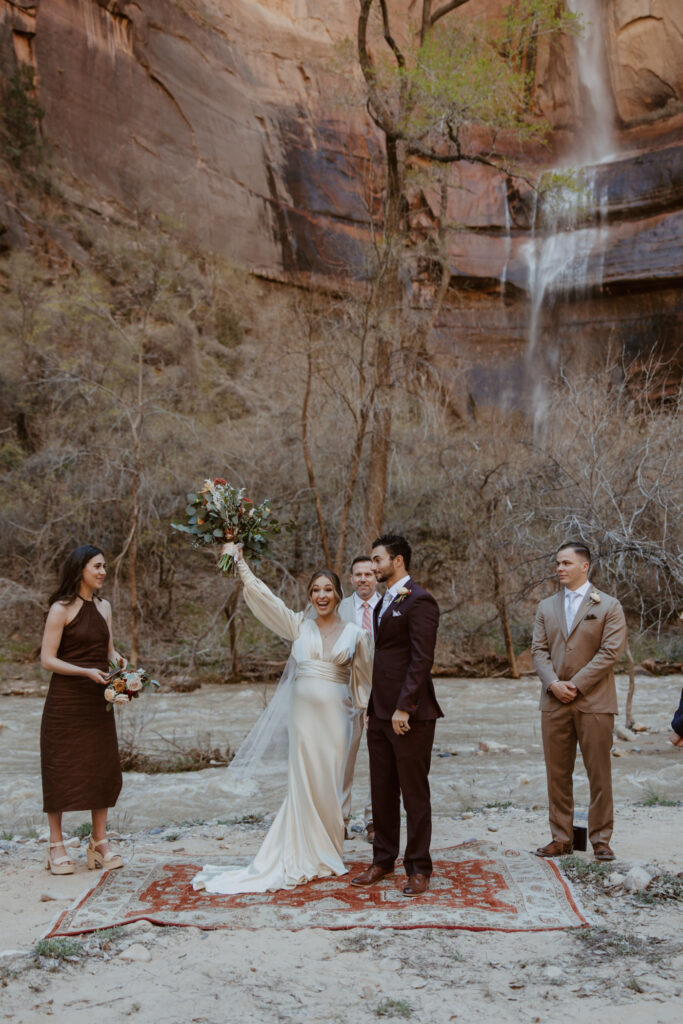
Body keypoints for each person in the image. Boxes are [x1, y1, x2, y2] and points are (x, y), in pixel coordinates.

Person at [192, 543, 373, 894]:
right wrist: (241, 564)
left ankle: (330, 851)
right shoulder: (297, 625)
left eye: (328, 590)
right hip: (303, 719)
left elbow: (364, 679)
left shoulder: (356, 635)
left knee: (333, 782)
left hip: (340, 720)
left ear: (338, 595)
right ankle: (304, 850)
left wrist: (366, 715)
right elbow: (266, 599)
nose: (322, 596)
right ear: (310, 596)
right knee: (304, 782)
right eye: (316, 591)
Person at [352, 534, 441, 897]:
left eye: (378, 560)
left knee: (414, 793)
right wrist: (374, 709)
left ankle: (418, 867)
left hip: (410, 715)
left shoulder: (420, 600)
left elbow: (421, 659)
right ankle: (383, 860)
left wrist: (405, 706)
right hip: (380, 713)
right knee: (382, 790)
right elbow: (383, 662)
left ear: (398, 561)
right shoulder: (383, 602)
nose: (372, 567)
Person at [532, 542, 627, 862]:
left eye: (566, 563)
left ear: (584, 567)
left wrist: (576, 684)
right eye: (557, 563)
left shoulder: (609, 606)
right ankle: (561, 837)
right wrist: (553, 684)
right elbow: (538, 651)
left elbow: (610, 652)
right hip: (554, 702)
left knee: (598, 773)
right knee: (557, 773)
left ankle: (601, 839)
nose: (560, 568)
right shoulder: (546, 606)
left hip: (595, 702)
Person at [40, 545, 126, 875]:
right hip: (65, 702)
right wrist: (84, 671)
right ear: (80, 570)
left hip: (97, 702)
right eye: (97, 566)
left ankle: (99, 842)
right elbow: (47, 660)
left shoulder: (105, 606)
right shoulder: (60, 608)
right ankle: (55, 845)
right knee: (60, 769)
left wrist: (122, 664)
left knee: (101, 768)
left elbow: (107, 651)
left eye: (104, 566)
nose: (103, 571)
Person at [338, 555, 380, 841]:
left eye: (368, 573)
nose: (363, 578)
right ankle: (339, 819)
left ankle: (374, 819)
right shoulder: (339, 608)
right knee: (343, 759)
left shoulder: (390, 605)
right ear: (351, 579)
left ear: (376, 576)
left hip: (381, 693)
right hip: (346, 695)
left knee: (380, 760)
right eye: (358, 574)